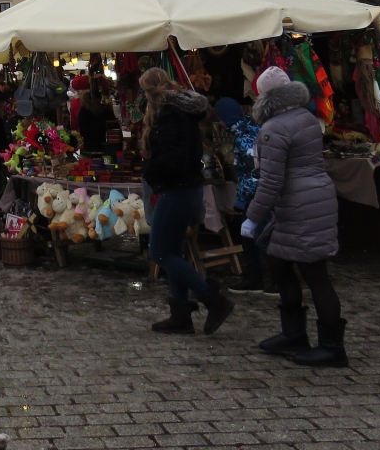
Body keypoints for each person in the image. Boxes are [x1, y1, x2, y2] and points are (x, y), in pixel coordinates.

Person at [242, 66, 348, 367]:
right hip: (313, 198)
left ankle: (332, 348)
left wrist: (252, 217)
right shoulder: (306, 117)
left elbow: (271, 181)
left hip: (298, 204)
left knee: (315, 274)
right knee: (279, 262)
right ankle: (294, 333)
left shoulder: (274, 129)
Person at [139, 67, 235, 336]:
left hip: (177, 189)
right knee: (172, 250)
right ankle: (180, 315)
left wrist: (150, 169)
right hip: (186, 188)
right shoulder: (180, 112)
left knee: (159, 252)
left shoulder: (170, 116)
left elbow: (173, 159)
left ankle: (212, 299)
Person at [215, 96, 275, 295]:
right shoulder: (249, 128)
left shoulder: (245, 136)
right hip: (260, 193)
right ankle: (260, 278)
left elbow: (253, 173)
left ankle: (268, 279)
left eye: (220, 118)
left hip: (257, 196)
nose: (219, 123)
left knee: (257, 236)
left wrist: (242, 199)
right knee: (255, 235)